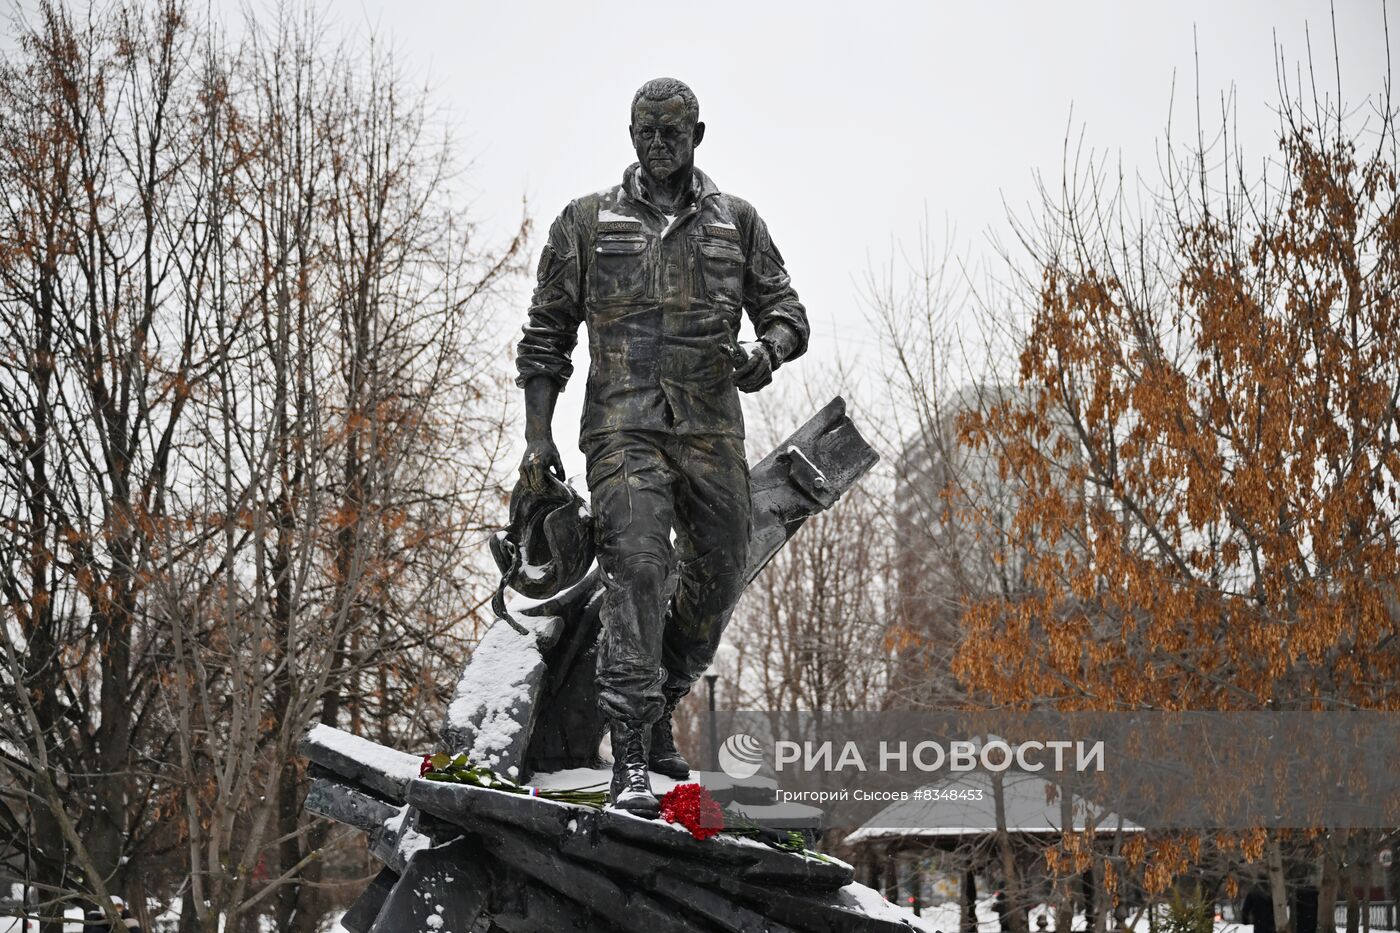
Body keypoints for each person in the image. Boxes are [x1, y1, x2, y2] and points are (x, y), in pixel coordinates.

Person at [515, 77, 809, 815]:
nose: (657, 146)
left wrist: (765, 354)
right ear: (631, 136)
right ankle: (632, 759)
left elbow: (787, 312)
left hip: (711, 428)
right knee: (639, 562)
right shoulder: (584, 223)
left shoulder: (736, 223)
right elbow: (545, 337)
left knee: (719, 570)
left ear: (697, 136)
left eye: (671, 135)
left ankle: (661, 698)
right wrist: (536, 438)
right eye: (645, 134)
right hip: (623, 430)